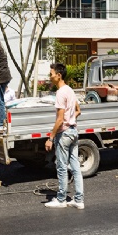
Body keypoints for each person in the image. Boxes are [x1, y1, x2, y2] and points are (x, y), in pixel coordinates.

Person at [44, 63, 84, 209]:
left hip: (65, 133)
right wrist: (71, 119)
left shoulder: (60, 93)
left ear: (58, 75)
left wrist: (50, 138)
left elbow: (59, 119)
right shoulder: (70, 90)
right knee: (75, 167)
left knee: (61, 167)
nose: (50, 77)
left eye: (51, 74)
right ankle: (79, 200)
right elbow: (78, 110)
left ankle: (61, 199)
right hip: (74, 131)